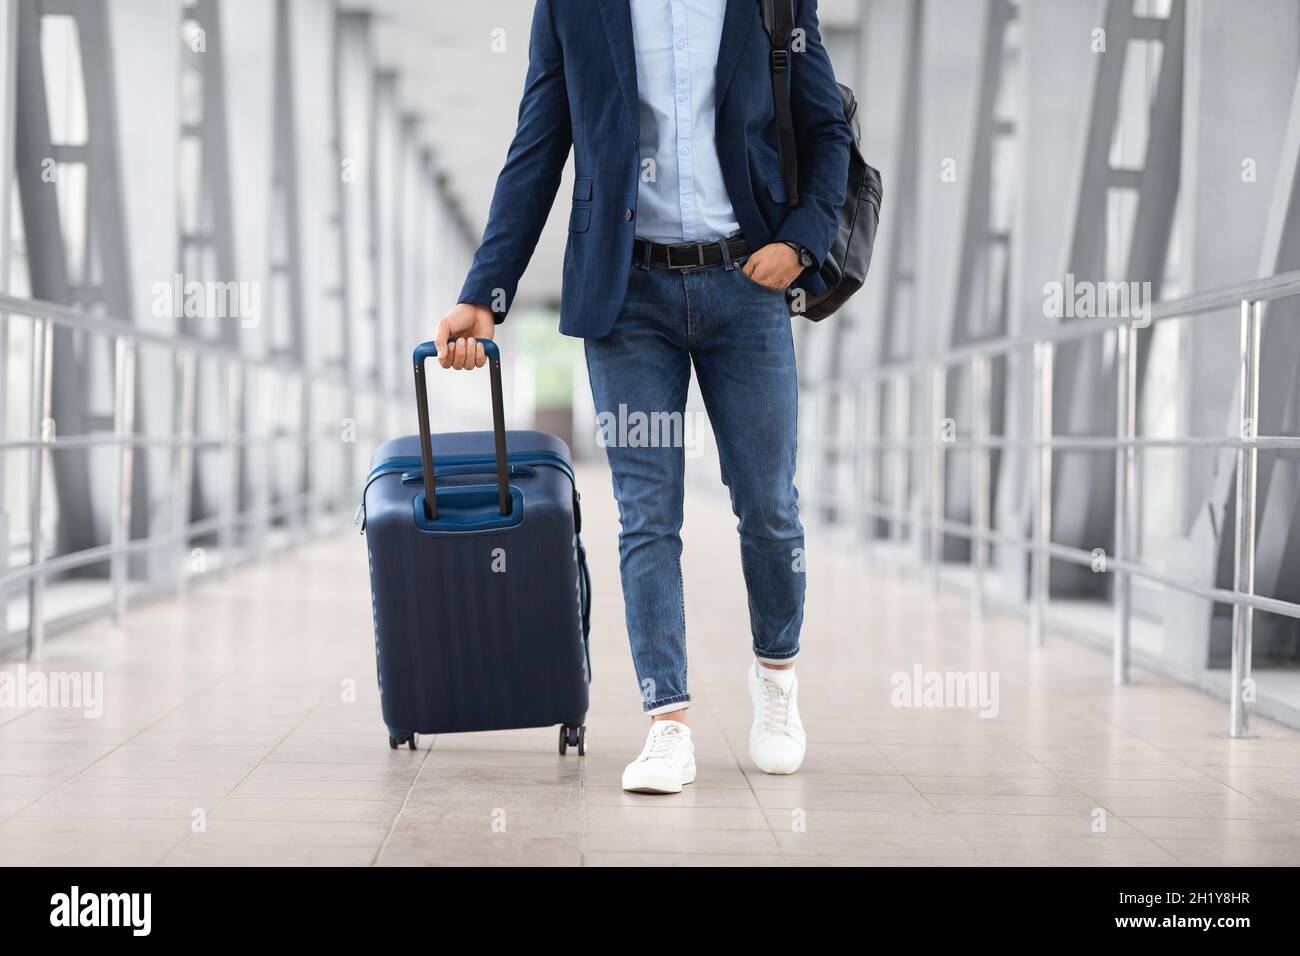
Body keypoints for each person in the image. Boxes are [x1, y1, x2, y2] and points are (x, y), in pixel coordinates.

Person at [434, 0, 851, 794]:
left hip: (746, 286)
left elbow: (827, 129)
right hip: (628, 296)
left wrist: (800, 242)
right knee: (646, 512)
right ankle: (668, 723)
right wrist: (486, 292)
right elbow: (537, 146)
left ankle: (777, 681)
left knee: (768, 507)